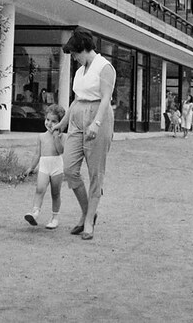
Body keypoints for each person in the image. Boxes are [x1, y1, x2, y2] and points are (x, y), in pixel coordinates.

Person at [51, 28, 115, 241]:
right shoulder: (80, 71)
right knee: (69, 169)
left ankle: (87, 221)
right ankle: (89, 211)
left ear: (83, 49)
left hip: (98, 115)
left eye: (75, 54)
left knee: (96, 172)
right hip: (77, 117)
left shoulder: (105, 67)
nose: (75, 58)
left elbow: (106, 98)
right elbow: (76, 99)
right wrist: (62, 122)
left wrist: (96, 123)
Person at [23, 104, 66, 229]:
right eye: (47, 120)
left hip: (56, 166)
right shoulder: (41, 136)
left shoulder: (62, 136)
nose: (49, 123)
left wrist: (56, 137)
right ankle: (35, 212)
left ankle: (55, 217)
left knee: (55, 193)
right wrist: (31, 167)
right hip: (44, 165)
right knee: (39, 189)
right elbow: (37, 154)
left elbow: (60, 151)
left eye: (54, 121)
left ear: (60, 123)